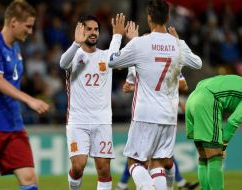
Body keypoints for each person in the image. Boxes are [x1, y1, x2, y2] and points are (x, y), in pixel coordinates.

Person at [108, 0, 202, 189]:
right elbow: (198, 63)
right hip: (169, 116)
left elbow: (111, 61)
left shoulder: (140, 43)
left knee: (134, 162)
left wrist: (118, 36)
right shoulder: (177, 44)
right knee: (158, 162)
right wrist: (178, 42)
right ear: (168, 17)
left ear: (149, 18)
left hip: (145, 114)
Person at [59, 14, 127, 190]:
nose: (93, 32)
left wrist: (118, 35)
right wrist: (75, 43)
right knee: (78, 165)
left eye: (96, 29)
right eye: (89, 28)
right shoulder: (74, 56)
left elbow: (115, 53)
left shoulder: (105, 56)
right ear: (81, 30)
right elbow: (62, 63)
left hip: (102, 121)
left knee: (104, 169)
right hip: (78, 120)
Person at [0, 1, 50, 190]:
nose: (31, 31)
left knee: (29, 179)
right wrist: (30, 100)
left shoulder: (15, 48)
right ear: (14, 22)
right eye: (28, 26)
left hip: (14, 124)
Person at [116, 71, 199, 190]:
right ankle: (177, 183)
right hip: (156, 116)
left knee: (139, 158)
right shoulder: (167, 59)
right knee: (145, 158)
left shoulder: (145, 60)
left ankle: (124, 184)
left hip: (148, 117)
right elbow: (182, 84)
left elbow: (182, 85)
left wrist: (135, 87)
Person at [186, 75, 242, 190]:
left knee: (204, 157)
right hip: (207, 101)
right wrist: (223, 146)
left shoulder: (237, 81)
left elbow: (202, 82)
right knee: (215, 156)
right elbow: (233, 121)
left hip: (192, 99)